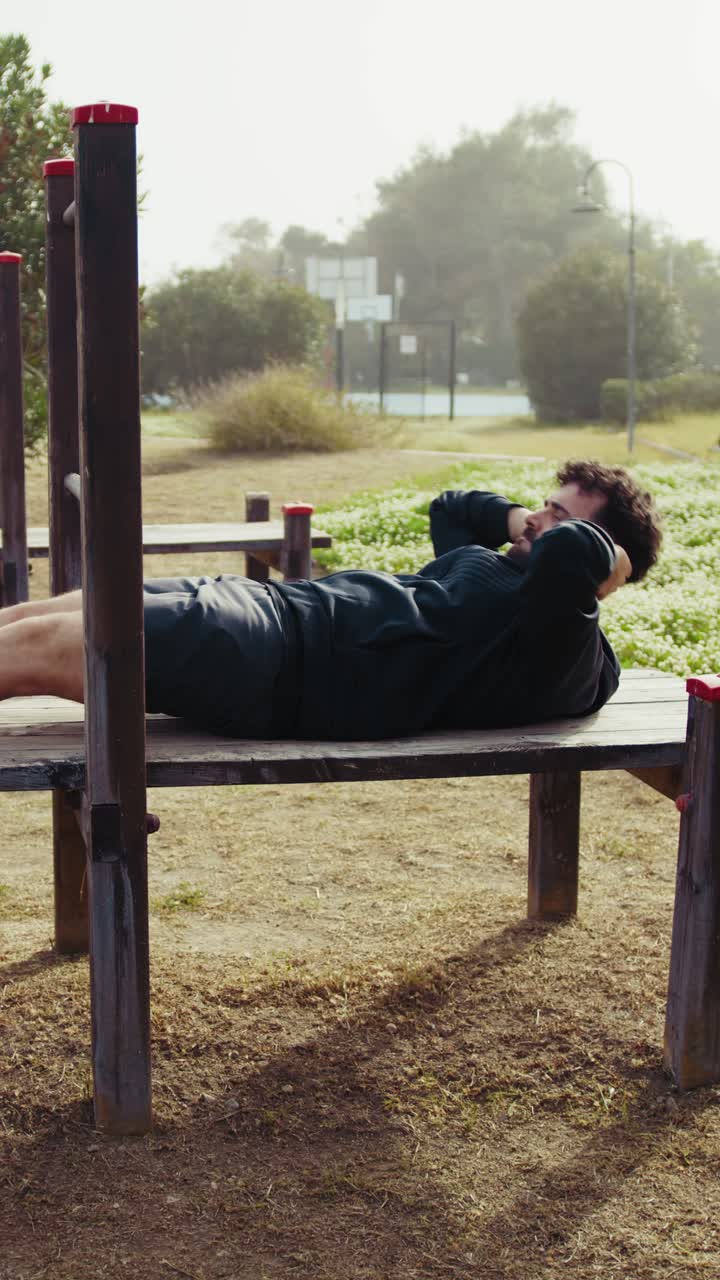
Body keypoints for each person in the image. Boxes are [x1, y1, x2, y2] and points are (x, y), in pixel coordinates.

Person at [0, 460, 661, 740]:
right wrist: (526, 520)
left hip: (283, 663)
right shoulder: (500, 573)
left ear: (603, 563)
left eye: (562, 517)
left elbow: (571, 556)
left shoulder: (568, 653)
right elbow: (453, 509)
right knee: (49, 613)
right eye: (546, 507)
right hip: (271, 610)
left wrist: (606, 560)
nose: (543, 521)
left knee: (53, 646)